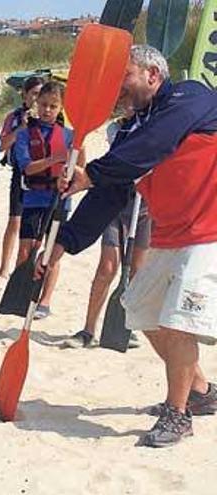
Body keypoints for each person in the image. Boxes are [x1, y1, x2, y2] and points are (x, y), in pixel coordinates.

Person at [39, 45, 217, 447]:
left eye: (126, 76)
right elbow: (110, 191)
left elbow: (157, 143)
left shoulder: (192, 98)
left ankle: (178, 414)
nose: (117, 87)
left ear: (153, 75)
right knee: (139, 309)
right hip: (170, 236)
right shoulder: (135, 128)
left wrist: (91, 173)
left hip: (209, 235)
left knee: (176, 322)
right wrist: (62, 245)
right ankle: (202, 391)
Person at [63, 109, 150, 349]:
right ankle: (88, 329)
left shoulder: (157, 126)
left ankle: (126, 327)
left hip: (143, 208)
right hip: (114, 204)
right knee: (107, 268)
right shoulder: (115, 129)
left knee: (135, 272)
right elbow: (124, 159)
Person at [11, 81, 82, 320]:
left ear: (61, 107)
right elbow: (28, 168)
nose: (47, 110)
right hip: (33, 197)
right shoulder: (24, 135)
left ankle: (45, 300)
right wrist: (55, 158)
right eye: (43, 105)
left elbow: (80, 169)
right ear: (36, 104)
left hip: (59, 199)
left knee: (52, 251)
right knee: (26, 249)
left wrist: (78, 151)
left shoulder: (70, 135)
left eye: (53, 106)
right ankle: (21, 294)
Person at [0, 76, 44, 278]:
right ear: (24, 95)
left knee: (36, 225)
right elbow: (1, 146)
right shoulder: (14, 118)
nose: (36, 99)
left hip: (42, 174)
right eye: (34, 94)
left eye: (40, 94)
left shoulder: (49, 118)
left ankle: (27, 265)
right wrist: (22, 128)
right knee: (14, 220)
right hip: (20, 173)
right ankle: (4, 266)